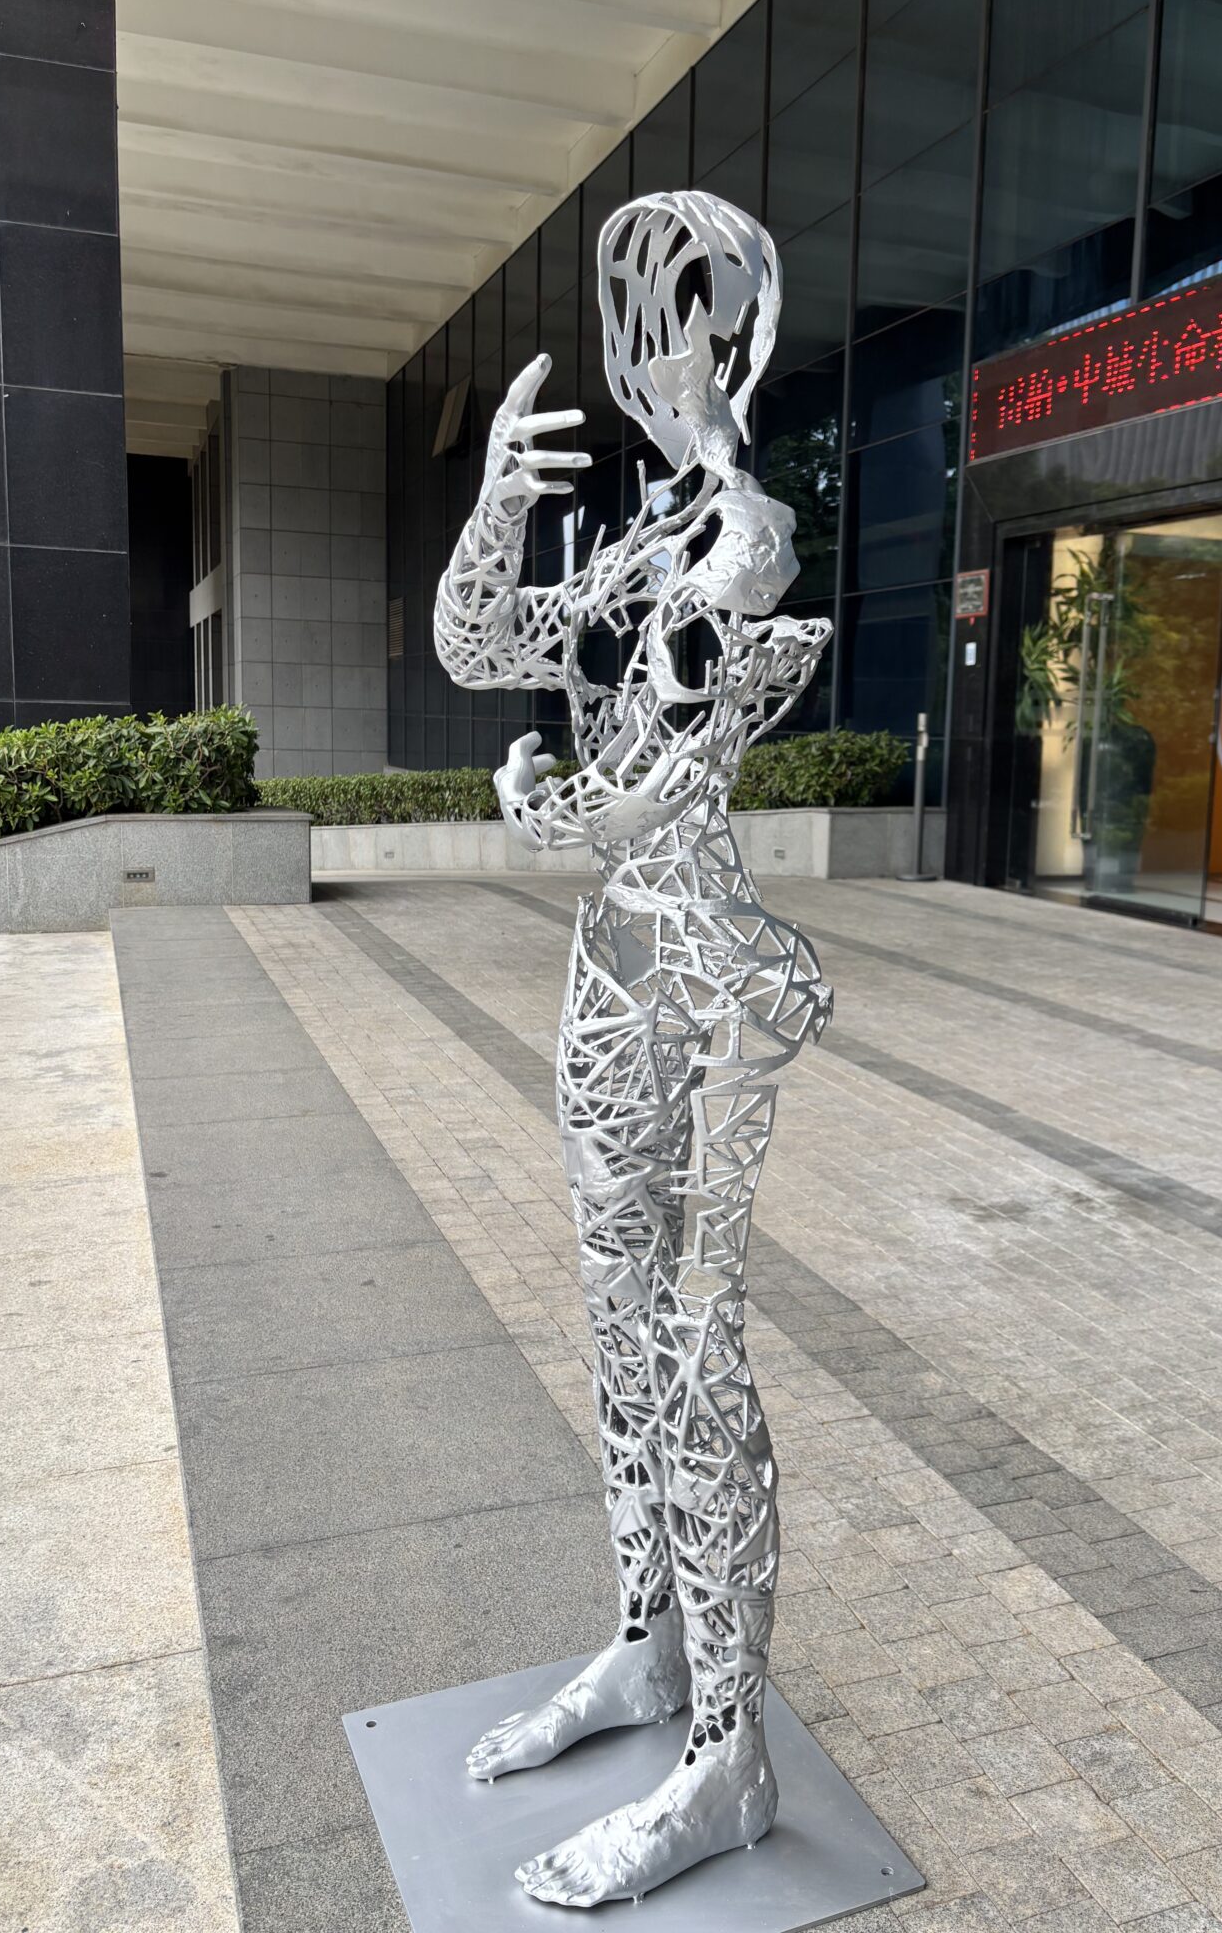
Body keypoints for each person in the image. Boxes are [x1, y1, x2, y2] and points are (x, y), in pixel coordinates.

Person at [433, 189, 832, 1908]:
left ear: (738, 337)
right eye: (636, 317)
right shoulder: (627, 543)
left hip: (707, 983)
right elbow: (478, 648)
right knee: (614, 1332)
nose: (653, 352)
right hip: (609, 974)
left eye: (686, 319)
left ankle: (730, 1753)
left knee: (694, 1347)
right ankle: (649, 1647)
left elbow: (666, 750)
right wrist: (495, 509)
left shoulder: (743, 534)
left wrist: (552, 812)